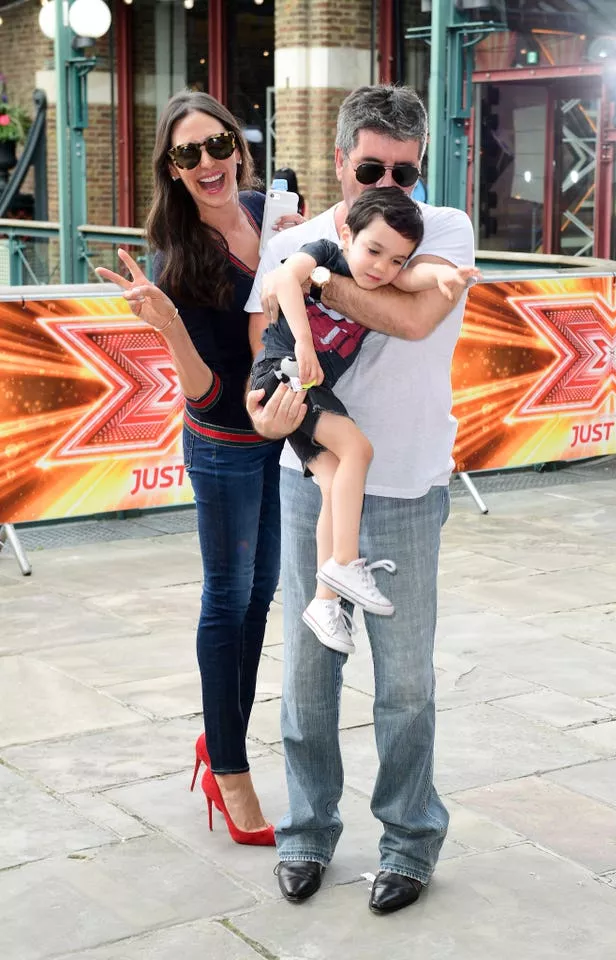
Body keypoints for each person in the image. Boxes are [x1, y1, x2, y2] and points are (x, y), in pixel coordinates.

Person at [245, 84, 475, 913]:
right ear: (342, 162)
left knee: (406, 682)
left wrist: (313, 274)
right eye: (371, 166)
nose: (390, 183)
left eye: (404, 171)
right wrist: (268, 405)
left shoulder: (438, 227)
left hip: (410, 483)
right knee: (310, 673)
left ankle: (409, 842)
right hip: (312, 476)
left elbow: (412, 323)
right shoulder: (304, 237)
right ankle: (307, 833)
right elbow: (261, 340)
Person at [96, 90, 304, 847]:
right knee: (228, 598)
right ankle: (231, 772)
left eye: (218, 144)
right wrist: (173, 325)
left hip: (279, 436)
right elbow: (210, 393)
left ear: (238, 146)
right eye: (189, 155)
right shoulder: (175, 258)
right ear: (173, 170)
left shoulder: (269, 210)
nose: (209, 163)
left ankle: (219, 744)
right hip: (222, 443)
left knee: (261, 597)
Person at [250, 188, 479, 655]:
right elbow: (286, 282)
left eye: (394, 260)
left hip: (306, 387)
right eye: (373, 251)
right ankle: (345, 563)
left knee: (335, 484)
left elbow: (415, 278)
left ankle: (325, 601)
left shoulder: (384, 280)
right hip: (285, 375)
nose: (380, 268)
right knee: (359, 450)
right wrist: (304, 345)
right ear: (347, 235)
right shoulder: (325, 253)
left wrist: (447, 276)